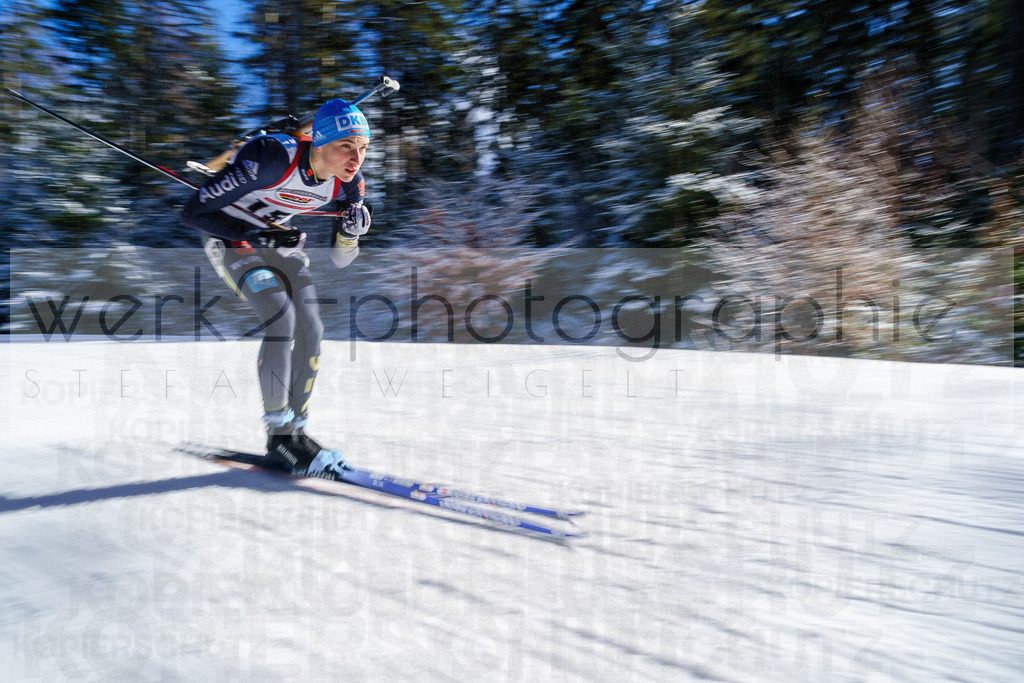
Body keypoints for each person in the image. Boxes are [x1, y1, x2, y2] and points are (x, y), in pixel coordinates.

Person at [181, 98, 374, 474]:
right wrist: (258, 234)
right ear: (319, 142)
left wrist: (350, 235)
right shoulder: (271, 157)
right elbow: (193, 212)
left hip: (276, 242)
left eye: (363, 147)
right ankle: (278, 435)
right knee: (281, 317)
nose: (356, 158)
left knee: (312, 329)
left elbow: (342, 258)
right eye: (346, 145)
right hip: (231, 240)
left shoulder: (350, 184)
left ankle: (296, 432)